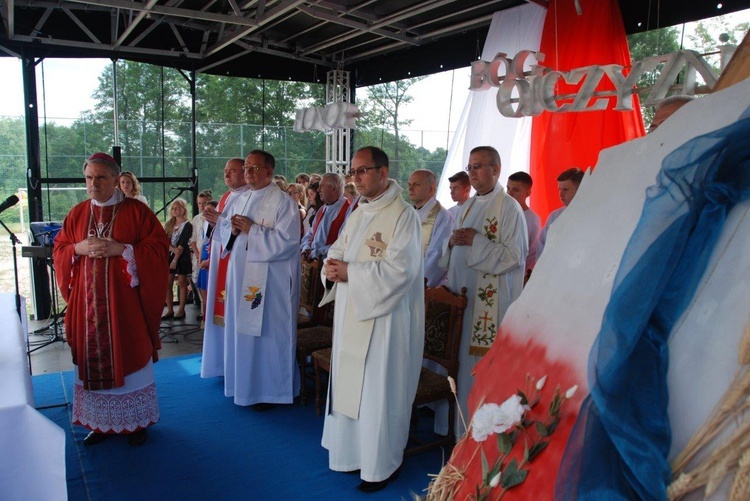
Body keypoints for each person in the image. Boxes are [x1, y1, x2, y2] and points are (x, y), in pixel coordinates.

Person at [321, 146, 424, 493]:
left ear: (383, 172)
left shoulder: (403, 215)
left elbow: (402, 270)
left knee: (380, 392)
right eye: (354, 171)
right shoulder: (359, 212)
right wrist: (331, 266)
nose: (356, 177)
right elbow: (339, 247)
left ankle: (382, 464)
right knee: (355, 390)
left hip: (385, 321)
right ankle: (351, 454)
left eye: (363, 170)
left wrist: (351, 271)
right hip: (353, 311)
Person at [52, 152, 169, 447]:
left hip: (124, 304)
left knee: (128, 350)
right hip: (87, 304)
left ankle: (135, 423)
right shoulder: (77, 213)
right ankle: (99, 423)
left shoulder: (137, 212)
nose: (94, 183)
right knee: (91, 359)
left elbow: (158, 249)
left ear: (116, 179)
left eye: (101, 177)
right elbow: (60, 248)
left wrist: (124, 250)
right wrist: (76, 248)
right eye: (89, 177)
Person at [439, 145, 527, 436]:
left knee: (478, 371)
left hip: (487, 308)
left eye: (478, 166)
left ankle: (479, 434)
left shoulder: (509, 208)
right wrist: (451, 243)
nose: (472, 172)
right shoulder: (469, 206)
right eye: (470, 166)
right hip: (463, 302)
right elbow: (452, 249)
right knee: (460, 368)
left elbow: (514, 256)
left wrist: (476, 240)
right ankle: (456, 429)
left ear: (495, 169)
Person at [218, 150, 301, 408]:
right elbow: (225, 232)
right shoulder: (240, 199)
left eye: (254, 168)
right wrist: (230, 230)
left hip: (269, 282)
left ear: (268, 172)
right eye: (246, 167)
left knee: (266, 334)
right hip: (240, 274)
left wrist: (252, 230)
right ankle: (244, 385)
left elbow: (288, 242)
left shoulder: (283, 202)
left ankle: (269, 391)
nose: (248, 172)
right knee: (242, 330)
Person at [200, 158, 251, 379]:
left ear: (244, 172)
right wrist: (215, 223)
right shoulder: (226, 197)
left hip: (238, 264)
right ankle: (221, 364)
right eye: (225, 171)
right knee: (220, 313)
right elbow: (221, 231)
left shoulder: (250, 196)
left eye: (232, 171)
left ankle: (233, 365)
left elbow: (240, 229)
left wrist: (221, 221)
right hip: (222, 260)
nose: (226, 175)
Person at [407, 169, 453, 287]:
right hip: (404, 280)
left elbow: (437, 255)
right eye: (409, 184)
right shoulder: (408, 214)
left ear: (431, 189)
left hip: (425, 286)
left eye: (416, 184)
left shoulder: (443, 216)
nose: (411, 188)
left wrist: (417, 284)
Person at [300, 172, 350, 261]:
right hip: (313, 261)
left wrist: (316, 253)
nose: (318, 190)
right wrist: (306, 248)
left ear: (334, 188)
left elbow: (343, 244)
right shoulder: (322, 209)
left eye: (322, 186)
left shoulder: (348, 210)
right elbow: (310, 233)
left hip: (332, 264)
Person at [538, 167, 584, 257]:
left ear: (580, 189)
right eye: (559, 189)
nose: (561, 194)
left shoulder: (592, 215)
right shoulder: (554, 216)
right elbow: (542, 245)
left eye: (565, 190)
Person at [507, 171, 542, 281]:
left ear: (528, 193)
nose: (510, 193)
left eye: (516, 190)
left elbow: (533, 252)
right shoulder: (500, 213)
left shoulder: (533, 219)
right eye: (508, 188)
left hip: (518, 275)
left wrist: (526, 276)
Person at [163, 198, 193, 320]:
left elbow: (182, 243)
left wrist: (175, 259)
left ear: (184, 209)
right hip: (169, 256)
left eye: (178, 207)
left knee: (181, 283)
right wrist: (171, 249)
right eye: (173, 208)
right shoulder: (169, 224)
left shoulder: (187, 225)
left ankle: (181, 309)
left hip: (182, 258)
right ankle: (169, 309)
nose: (175, 210)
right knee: (167, 284)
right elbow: (164, 240)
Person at [190, 190, 213, 323]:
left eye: (205, 203)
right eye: (199, 203)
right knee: (197, 281)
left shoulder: (214, 217)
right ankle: (203, 310)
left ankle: (209, 311)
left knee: (209, 283)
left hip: (209, 254)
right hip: (198, 255)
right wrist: (198, 255)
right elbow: (193, 239)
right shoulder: (196, 219)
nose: (202, 206)